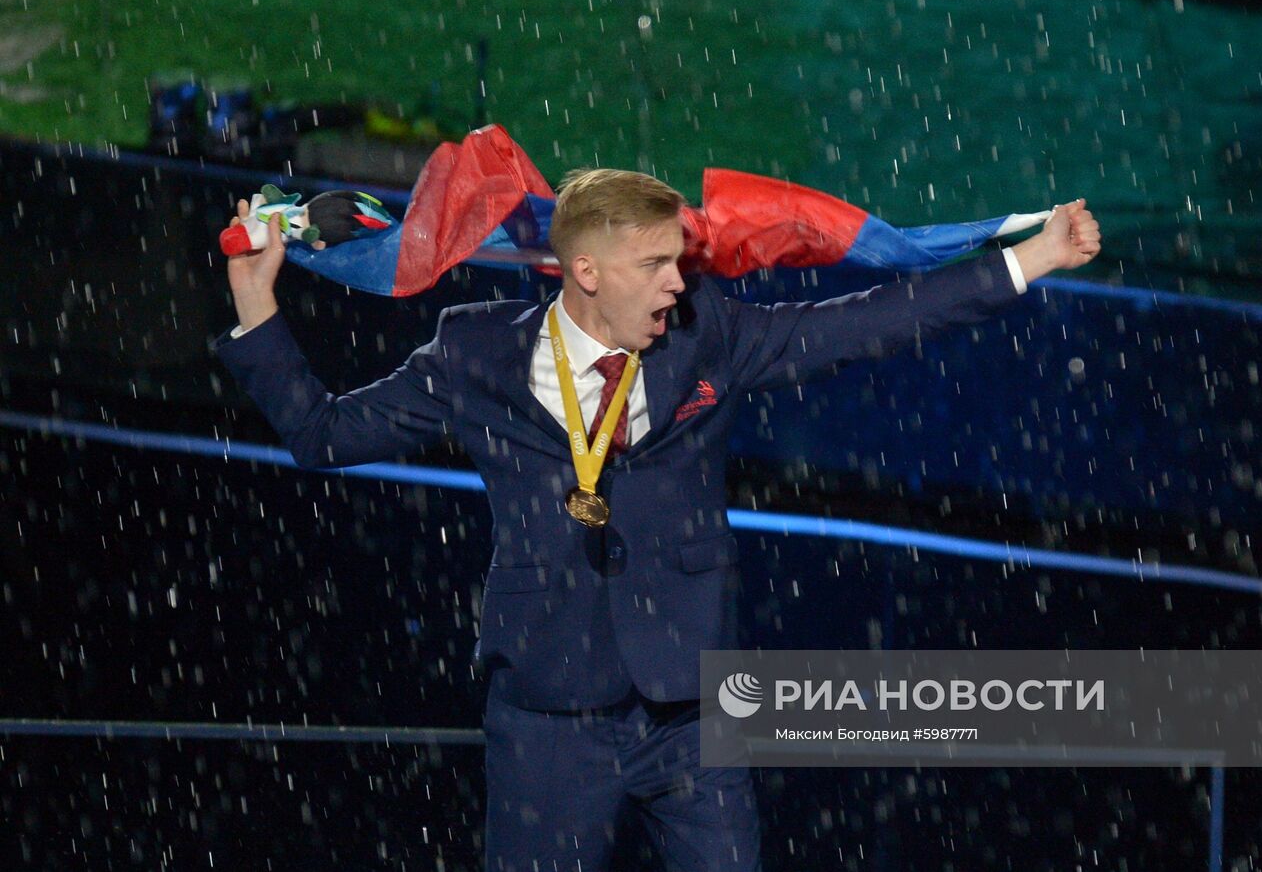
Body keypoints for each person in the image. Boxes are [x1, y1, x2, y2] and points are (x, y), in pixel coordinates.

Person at [213, 168, 1101, 871]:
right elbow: (323, 434)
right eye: (657, 265)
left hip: (692, 723)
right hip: (548, 722)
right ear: (586, 272)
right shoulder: (475, 354)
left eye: (679, 259)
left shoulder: (705, 337)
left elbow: (870, 322)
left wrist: (1033, 259)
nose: (681, 280)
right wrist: (257, 298)